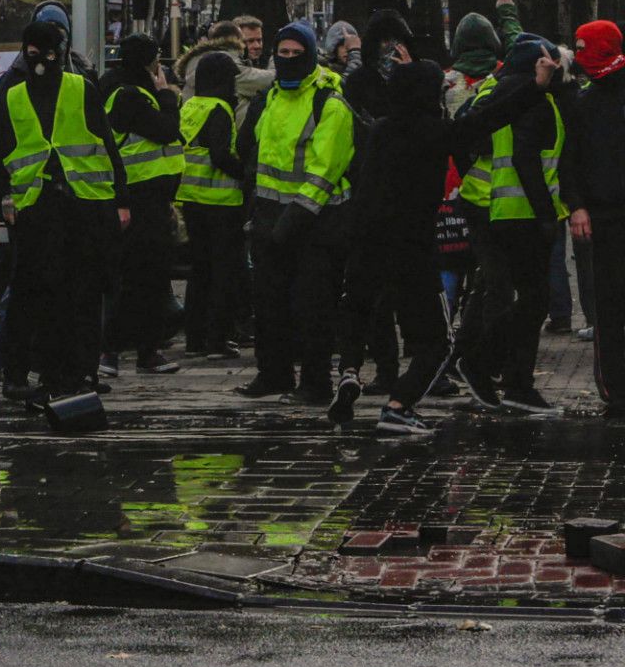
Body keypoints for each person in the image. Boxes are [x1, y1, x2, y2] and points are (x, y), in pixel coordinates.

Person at [329, 55, 555, 432]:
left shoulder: (380, 131)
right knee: (436, 342)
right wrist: (536, 87)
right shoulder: (436, 133)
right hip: (412, 248)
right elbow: (490, 117)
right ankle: (400, 405)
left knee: (359, 309)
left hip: (366, 242)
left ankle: (350, 371)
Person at [0, 20, 129, 399]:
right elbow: (0, 154)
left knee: (79, 294)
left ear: (59, 54)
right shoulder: (14, 96)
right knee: (32, 294)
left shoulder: (81, 88)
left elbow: (107, 144)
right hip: (37, 209)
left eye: (46, 54)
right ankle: (23, 373)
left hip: (80, 206)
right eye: (33, 54)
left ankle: (74, 373)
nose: (40, 63)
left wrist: (121, 199)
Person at [234, 21, 357, 402]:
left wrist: (294, 219)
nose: (288, 59)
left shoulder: (329, 103)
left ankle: (315, 383)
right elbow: (256, 154)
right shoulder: (270, 98)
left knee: (312, 307)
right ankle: (274, 374)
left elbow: (325, 170)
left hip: (315, 223)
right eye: (282, 53)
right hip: (269, 217)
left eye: (295, 53)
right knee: (268, 304)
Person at [454, 35, 573, 414]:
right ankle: (489, 367)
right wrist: (547, 216)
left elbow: (464, 135)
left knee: (512, 296)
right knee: (532, 300)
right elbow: (526, 160)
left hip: (496, 210)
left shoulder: (498, 91)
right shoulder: (535, 101)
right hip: (523, 216)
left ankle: (506, 377)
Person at [98, 34, 184, 376]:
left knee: (144, 278)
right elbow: (166, 130)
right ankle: (119, 351)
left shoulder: (118, 89)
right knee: (140, 279)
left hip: (146, 199)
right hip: (138, 200)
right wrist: (167, 95)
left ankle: (140, 351)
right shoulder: (129, 95)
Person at [568, 19, 625, 415]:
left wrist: (578, 205)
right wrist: (577, 205)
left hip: (603, 213)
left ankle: (615, 389)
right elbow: (571, 161)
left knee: (609, 302)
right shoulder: (584, 103)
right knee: (608, 302)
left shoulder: (585, 102)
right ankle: (616, 389)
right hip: (604, 215)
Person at [177, 52, 247, 359]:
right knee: (223, 273)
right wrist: (244, 174)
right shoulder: (220, 108)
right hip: (221, 202)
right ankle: (217, 340)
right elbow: (219, 155)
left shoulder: (190, 106)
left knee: (199, 271)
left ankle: (194, 340)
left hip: (192, 199)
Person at [173, 19, 275, 117]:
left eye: (259, 40)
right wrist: (276, 57)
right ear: (236, 40)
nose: (257, 46)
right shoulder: (224, 63)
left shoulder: (198, 59)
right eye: (249, 41)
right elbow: (266, 80)